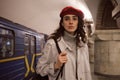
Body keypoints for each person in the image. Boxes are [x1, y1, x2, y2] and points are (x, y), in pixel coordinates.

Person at [36, 6, 92, 80]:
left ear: (78, 23)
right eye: (66, 19)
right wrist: (55, 65)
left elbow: (87, 72)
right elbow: (39, 69)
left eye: (74, 19)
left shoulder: (83, 46)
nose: (71, 22)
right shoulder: (52, 44)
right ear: (62, 23)